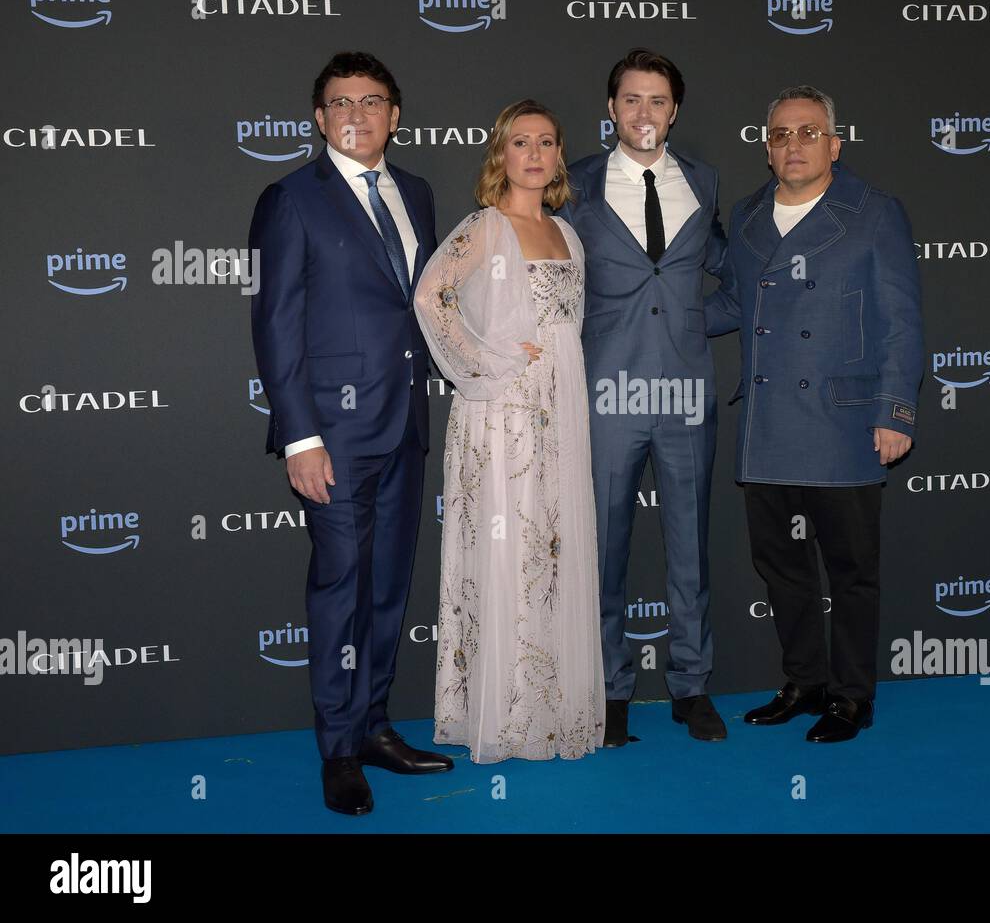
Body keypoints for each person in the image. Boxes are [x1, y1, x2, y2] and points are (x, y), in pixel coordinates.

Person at [250, 51, 453, 817]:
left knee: (389, 587)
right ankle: (339, 749)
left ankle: (374, 726)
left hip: (405, 424)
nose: (357, 115)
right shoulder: (292, 199)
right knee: (340, 588)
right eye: (340, 103)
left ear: (394, 116)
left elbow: (422, 308)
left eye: (372, 102)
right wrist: (299, 437)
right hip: (332, 436)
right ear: (319, 117)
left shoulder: (419, 193)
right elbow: (275, 325)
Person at [705, 85, 924, 742]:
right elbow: (735, 307)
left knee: (852, 572)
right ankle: (804, 680)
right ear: (767, 149)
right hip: (770, 424)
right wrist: (656, 320)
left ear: (834, 143)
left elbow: (902, 321)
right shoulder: (745, 218)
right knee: (783, 567)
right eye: (779, 134)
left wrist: (896, 412)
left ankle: (852, 695)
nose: (792, 144)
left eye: (806, 132)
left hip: (844, 424)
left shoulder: (874, 213)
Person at [412, 99, 605, 763]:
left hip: (560, 410)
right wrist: (483, 362)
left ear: (558, 156)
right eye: (520, 142)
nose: (534, 153)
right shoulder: (483, 227)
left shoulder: (568, 233)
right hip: (500, 412)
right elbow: (429, 295)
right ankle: (501, 712)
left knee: (550, 552)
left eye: (546, 142)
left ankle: (549, 708)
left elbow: (565, 330)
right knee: (505, 551)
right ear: (501, 154)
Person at [561, 49, 730, 745]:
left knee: (691, 546)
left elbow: (727, 274)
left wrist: (694, 321)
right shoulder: (573, 188)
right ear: (611, 110)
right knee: (603, 549)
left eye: (657, 101)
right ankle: (610, 691)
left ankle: (692, 687)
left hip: (688, 391)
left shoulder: (705, 183)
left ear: (674, 111)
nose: (644, 113)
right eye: (631, 99)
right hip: (605, 394)